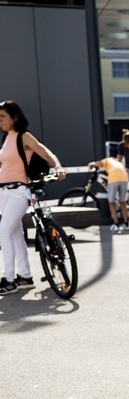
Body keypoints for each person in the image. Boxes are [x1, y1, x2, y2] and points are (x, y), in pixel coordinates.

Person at [0, 100, 66, 294]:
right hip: (3, 192)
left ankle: (8, 279)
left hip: (19, 191)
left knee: (3, 232)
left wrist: (58, 167)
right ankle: (25, 276)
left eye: (3, 117)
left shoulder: (24, 137)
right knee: (15, 234)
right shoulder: (6, 139)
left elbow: (46, 153)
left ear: (15, 117)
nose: (0, 120)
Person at [89, 155, 129, 233]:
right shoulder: (118, 163)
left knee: (111, 202)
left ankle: (116, 224)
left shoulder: (108, 160)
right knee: (122, 201)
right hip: (124, 178)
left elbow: (99, 163)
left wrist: (92, 164)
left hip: (114, 178)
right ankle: (126, 223)